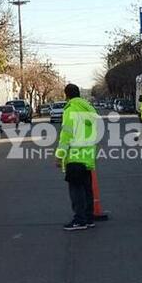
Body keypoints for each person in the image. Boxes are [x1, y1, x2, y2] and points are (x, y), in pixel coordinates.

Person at [55, 84, 99, 231]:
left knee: (76, 190)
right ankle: (88, 218)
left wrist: (59, 155)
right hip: (87, 155)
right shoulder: (89, 109)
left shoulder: (70, 109)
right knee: (87, 189)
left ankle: (79, 220)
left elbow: (66, 134)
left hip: (74, 156)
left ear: (66, 95)